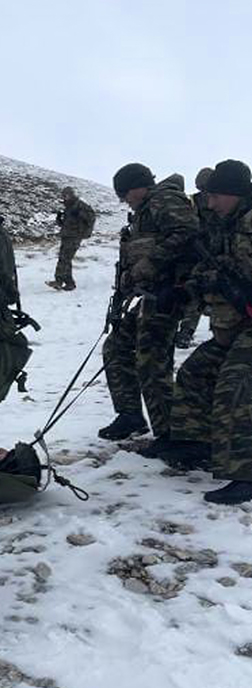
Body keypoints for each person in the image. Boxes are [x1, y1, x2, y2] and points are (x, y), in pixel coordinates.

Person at [156, 160, 252, 504]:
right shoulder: (224, 225)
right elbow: (212, 267)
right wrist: (185, 291)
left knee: (235, 384)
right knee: (195, 373)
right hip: (234, 326)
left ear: (235, 193)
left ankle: (245, 473)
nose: (208, 203)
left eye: (215, 196)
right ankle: (198, 444)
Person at [99, 164, 198, 448]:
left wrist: (150, 263)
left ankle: (171, 434)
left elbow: (188, 231)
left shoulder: (164, 199)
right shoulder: (144, 212)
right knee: (116, 346)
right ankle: (130, 416)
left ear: (137, 186)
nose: (124, 200)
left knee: (152, 361)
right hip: (149, 295)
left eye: (124, 193)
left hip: (169, 294)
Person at [175, 167, 216, 349]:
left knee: (202, 294)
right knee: (197, 293)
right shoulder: (194, 202)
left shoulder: (194, 201)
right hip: (200, 254)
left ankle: (188, 332)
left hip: (208, 254)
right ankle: (187, 332)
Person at [46, 186, 95, 291]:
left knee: (64, 259)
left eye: (66, 195)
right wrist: (59, 219)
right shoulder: (68, 207)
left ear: (71, 194)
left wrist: (80, 214)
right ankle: (69, 283)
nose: (64, 198)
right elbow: (65, 224)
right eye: (63, 195)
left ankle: (59, 281)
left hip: (75, 236)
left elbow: (91, 217)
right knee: (65, 259)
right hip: (66, 235)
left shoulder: (80, 205)